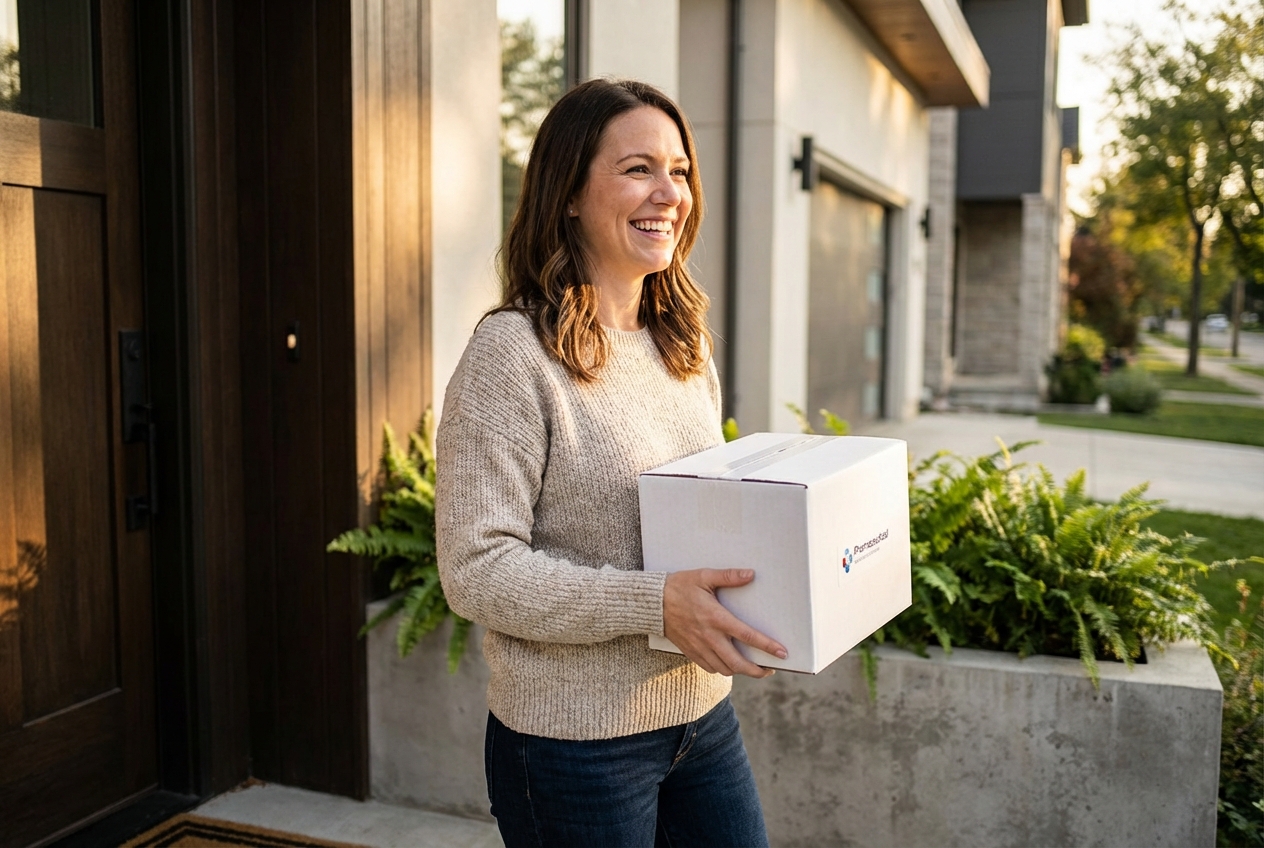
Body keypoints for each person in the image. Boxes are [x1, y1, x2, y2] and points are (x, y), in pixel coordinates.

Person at [435, 78, 784, 848]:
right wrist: (655, 604)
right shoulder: (511, 355)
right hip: (573, 745)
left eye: (681, 171)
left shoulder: (683, 346)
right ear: (568, 192)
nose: (670, 193)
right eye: (638, 169)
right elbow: (476, 568)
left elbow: (695, 517)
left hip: (701, 717)